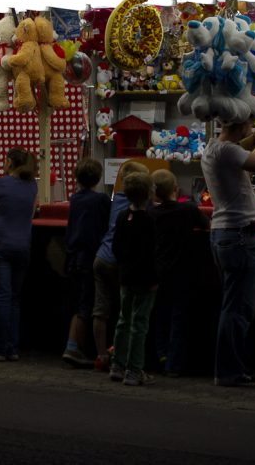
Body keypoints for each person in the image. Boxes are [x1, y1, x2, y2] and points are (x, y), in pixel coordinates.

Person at [201, 118, 255, 388]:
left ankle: (229, 368)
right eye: (249, 124)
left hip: (225, 233)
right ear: (241, 125)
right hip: (240, 234)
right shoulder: (228, 150)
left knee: (232, 306)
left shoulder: (215, 148)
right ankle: (229, 371)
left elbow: (248, 166)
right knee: (238, 309)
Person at [147, 168, 209, 377]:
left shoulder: (151, 213)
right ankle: (174, 363)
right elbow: (206, 225)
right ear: (176, 189)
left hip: (157, 272)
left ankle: (160, 356)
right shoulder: (188, 210)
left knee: (159, 315)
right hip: (182, 272)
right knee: (179, 318)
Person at [0, 147, 38, 362]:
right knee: (14, 298)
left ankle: (0, 348)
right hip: (23, 244)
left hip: (0, 244)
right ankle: (12, 348)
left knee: (1, 297)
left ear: (8, 162)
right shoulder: (32, 185)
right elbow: (31, 213)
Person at [91, 160, 149, 370]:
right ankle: (124, 357)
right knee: (129, 314)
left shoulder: (115, 200)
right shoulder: (145, 208)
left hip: (101, 257)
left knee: (101, 309)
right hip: (125, 265)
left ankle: (101, 355)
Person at [109, 172, 158, 386]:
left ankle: (117, 365)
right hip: (145, 279)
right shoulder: (151, 219)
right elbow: (154, 251)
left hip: (126, 276)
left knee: (123, 320)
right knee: (140, 324)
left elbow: (116, 247)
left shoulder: (122, 217)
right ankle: (134, 369)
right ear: (149, 193)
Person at [61, 157, 110, 368]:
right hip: (89, 257)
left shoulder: (74, 199)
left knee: (78, 303)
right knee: (86, 305)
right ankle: (73, 347)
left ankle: (74, 345)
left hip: (73, 257)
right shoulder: (100, 200)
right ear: (98, 178)